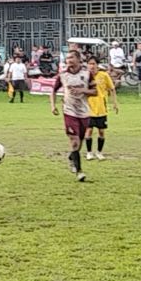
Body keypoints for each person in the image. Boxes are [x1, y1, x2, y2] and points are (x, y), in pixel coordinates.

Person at [50, 50, 97, 182]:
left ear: (78, 59)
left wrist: (83, 90)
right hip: (69, 112)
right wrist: (53, 106)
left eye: (71, 57)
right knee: (75, 141)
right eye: (67, 58)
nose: (68, 60)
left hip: (84, 112)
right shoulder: (63, 75)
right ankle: (79, 171)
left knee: (79, 142)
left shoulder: (87, 74)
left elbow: (95, 91)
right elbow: (53, 90)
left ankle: (72, 157)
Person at [84, 56, 119, 161]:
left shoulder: (103, 75)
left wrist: (115, 103)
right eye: (90, 64)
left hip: (101, 109)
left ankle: (99, 152)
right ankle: (89, 152)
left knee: (101, 132)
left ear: (97, 65)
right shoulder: (85, 76)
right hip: (88, 109)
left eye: (93, 64)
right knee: (89, 131)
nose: (92, 66)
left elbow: (112, 89)